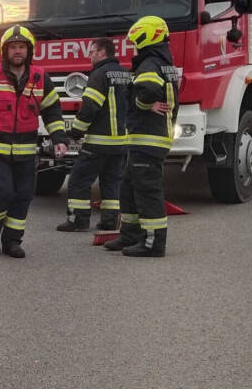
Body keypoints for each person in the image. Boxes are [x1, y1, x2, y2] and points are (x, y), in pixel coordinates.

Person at [0, 26, 68, 258]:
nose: (17, 51)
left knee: (23, 195)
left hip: (26, 150)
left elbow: (52, 111)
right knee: (3, 193)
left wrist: (59, 138)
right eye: (13, 47)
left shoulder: (40, 77)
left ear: (29, 51)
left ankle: (12, 241)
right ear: (5, 51)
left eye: (22, 47)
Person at [104, 15, 178, 257]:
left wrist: (143, 103)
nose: (133, 47)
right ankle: (130, 234)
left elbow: (148, 90)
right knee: (128, 187)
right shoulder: (161, 62)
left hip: (148, 138)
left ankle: (153, 243)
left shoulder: (149, 64)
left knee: (147, 191)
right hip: (146, 138)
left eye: (135, 42)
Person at [56, 37, 130, 232]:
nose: (90, 56)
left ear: (101, 53)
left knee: (79, 179)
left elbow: (90, 107)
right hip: (121, 143)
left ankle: (78, 221)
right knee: (112, 182)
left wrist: (75, 132)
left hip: (98, 141)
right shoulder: (125, 74)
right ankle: (110, 221)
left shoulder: (99, 75)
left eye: (92, 52)